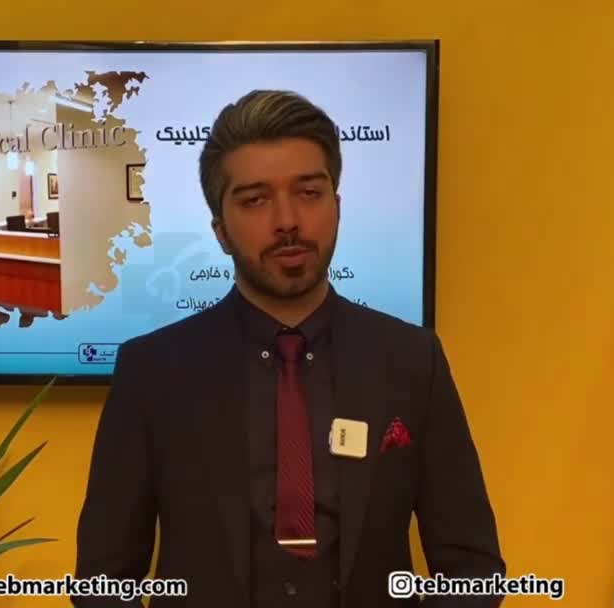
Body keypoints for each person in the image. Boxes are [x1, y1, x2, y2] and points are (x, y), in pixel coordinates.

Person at [74, 90, 505, 607]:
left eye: (308, 192)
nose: (287, 220)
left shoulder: (412, 360)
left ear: (337, 207)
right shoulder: (153, 371)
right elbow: (103, 581)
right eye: (255, 200)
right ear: (220, 231)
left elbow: (472, 568)